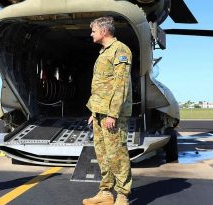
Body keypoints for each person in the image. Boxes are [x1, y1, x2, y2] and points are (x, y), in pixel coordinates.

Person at [83, 17, 133, 205]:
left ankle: (122, 195)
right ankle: (105, 193)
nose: (91, 34)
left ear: (104, 31)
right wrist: (94, 112)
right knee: (103, 154)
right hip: (99, 111)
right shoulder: (104, 52)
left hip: (113, 113)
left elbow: (121, 84)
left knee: (117, 154)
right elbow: (102, 86)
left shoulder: (120, 50)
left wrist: (113, 113)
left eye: (94, 30)